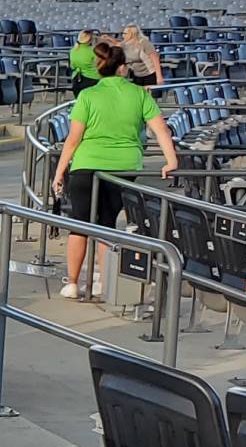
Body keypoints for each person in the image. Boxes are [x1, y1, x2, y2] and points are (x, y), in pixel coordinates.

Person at [52, 39, 179, 300]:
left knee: (79, 223)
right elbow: (161, 130)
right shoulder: (139, 94)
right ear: (123, 68)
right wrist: (171, 160)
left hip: (87, 165)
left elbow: (73, 139)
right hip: (123, 166)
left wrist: (59, 172)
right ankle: (102, 281)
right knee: (107, 225)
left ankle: (73, 282)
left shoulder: (87, 96)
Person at [67, 28, 100, 95]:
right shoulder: (93, 51)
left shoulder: (72, 51)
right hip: (93, 79)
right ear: (90, 40)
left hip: (76, 80)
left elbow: (72, 66)